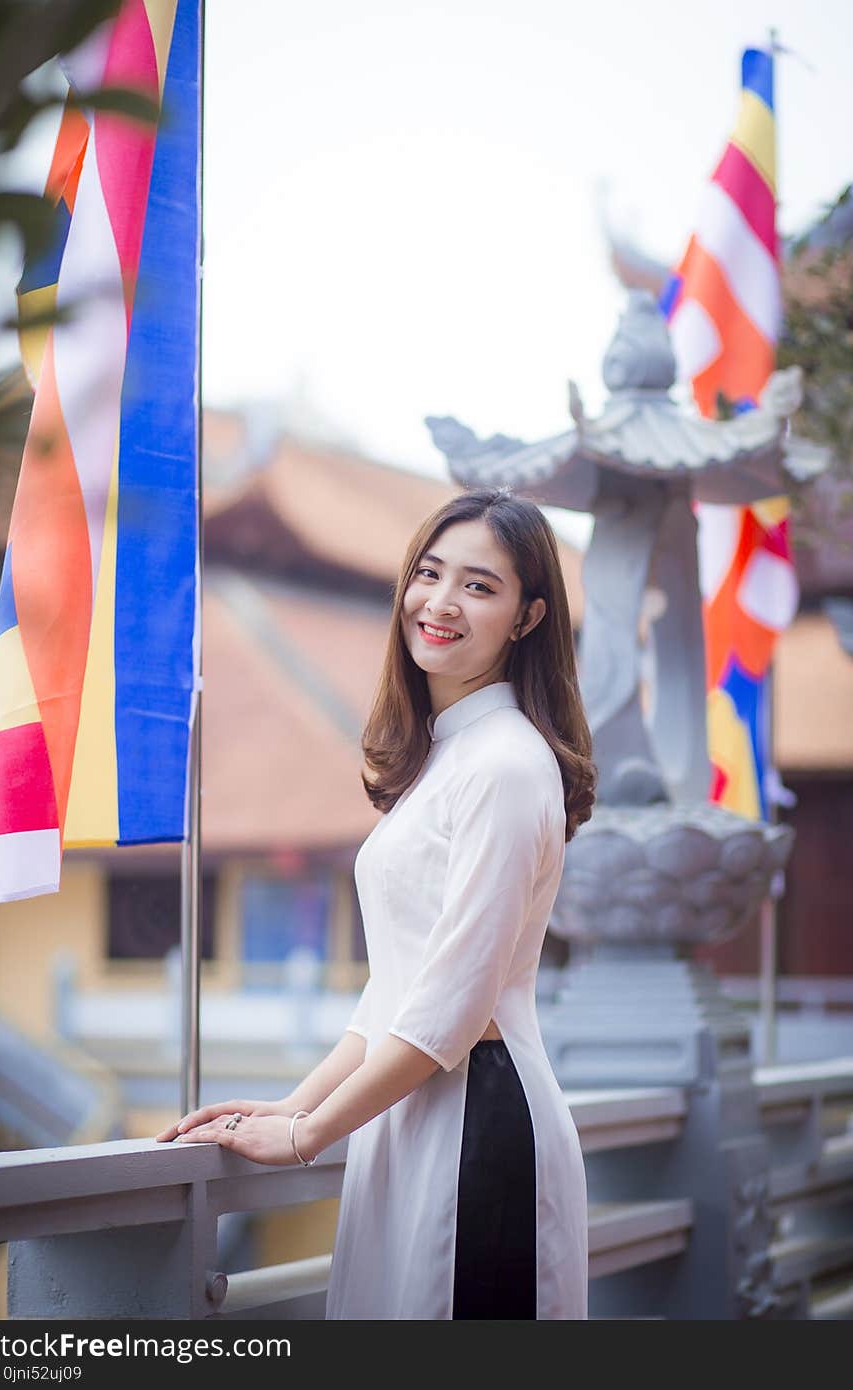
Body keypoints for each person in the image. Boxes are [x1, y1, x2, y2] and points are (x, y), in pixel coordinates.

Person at [156, 485, 597, 1320]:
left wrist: (307, 1136)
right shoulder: (443, 762)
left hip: (479, 1120)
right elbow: (398, 988)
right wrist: (297, 1103)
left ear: (529, 616)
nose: (439, 602)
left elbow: (456, 1005)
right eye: (428, 573)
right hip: (412, 1110)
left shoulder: (505, 766)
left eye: (479, 585)